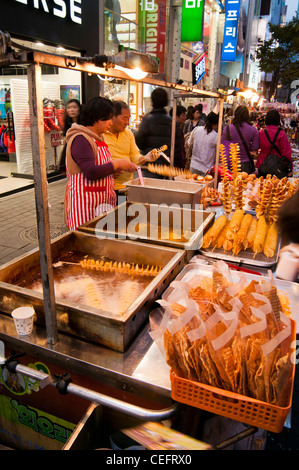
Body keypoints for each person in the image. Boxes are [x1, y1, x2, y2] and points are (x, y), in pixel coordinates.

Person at [64, 97, 137, 231]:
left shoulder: (98, 139)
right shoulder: (81, 139)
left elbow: (98, 169)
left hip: (101, 205)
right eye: (108, 118)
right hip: (85, 208)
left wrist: (111, 172)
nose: (111, 122)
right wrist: (117, 164)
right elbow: (90, 172)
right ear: (97, 118)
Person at [103, 100, 159, 193]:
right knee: (110, 208)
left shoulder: (128, 134)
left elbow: (134, 156)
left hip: (126, 187)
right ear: (112, 116)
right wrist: (109, 170)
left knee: (123, 207)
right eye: (124, 118)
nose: (127, 122)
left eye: (128, 118)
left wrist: (145, 158)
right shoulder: (102, 135)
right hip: (108, 188)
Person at [135, 87, 184, 175]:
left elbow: (139, 141)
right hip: (167, 167)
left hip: (150, 167)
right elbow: (178, 146)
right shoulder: (172, 122)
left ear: (152, 101)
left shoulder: (147, 120)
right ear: (166, 101)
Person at [221, 105, 259, 174]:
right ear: (247, 116)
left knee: (231, 183)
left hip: (231, 162)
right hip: (246, 163)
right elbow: (255, 148)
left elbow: (222, 144)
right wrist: (247, 146)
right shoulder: (253, 129)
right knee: (244, 183)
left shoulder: (228, 128)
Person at [256, 109, 293, 176]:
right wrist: (290, 168)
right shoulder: (282, 134)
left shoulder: (261, 133)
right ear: (278, 120)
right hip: (277, 167)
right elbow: (286, 153)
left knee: (261, 185)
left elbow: (256, 147)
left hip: (262, 165)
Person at [188, 112, 219, 176]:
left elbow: (189, 143)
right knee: (206, 186)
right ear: (216, 124)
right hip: (206, 169)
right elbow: (218, 154)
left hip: (194, 165)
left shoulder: (196, 129)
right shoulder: (216, 136)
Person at [58, 99, 82, 173]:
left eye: (75, 107)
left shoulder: (84, 123)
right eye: (69, 108)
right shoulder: (68, 123)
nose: (72, 110)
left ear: (80, 109)